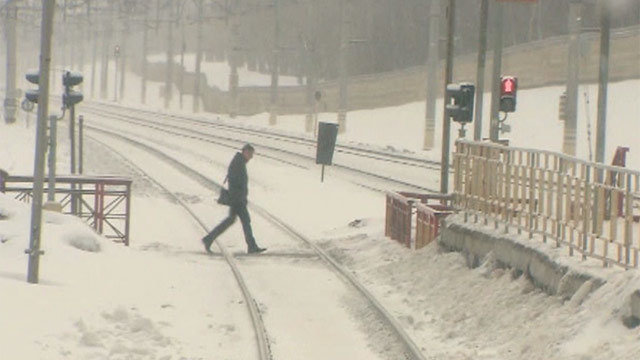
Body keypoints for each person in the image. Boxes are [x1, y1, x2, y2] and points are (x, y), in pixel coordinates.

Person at [202, 144, 266, 254]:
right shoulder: (238, 163)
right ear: (245, 152)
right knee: (243, 221)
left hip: (237, 198)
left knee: (234, 220)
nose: (251, 157)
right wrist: (239, 197)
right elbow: (235, 182)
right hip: (237, 199)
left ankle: (209, 238)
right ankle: (251, 246)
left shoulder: (239, 162)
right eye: (250, 154)